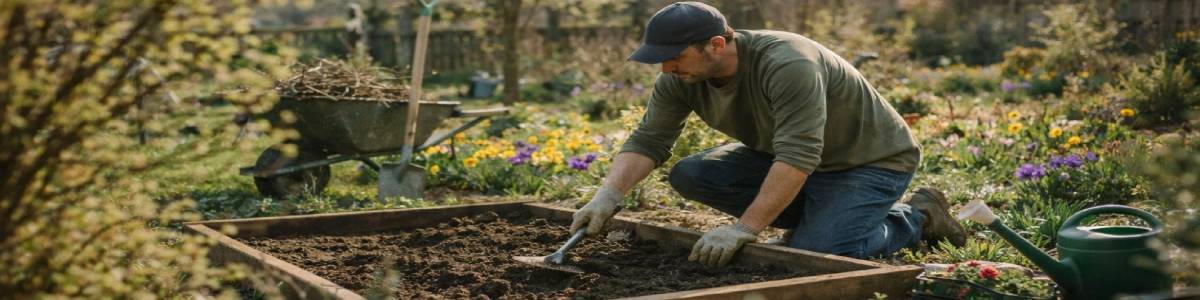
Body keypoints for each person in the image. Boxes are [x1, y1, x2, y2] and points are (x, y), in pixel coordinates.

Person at [568, 1, 966, 268]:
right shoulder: (680, 77)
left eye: (674, 58)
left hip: (868, 161)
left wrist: (745, 228)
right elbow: (650, 139)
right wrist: (608, 195)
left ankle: (917, 218)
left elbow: (798, 155)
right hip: (793, 160)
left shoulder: (787, 63)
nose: (665, 69)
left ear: (716, 45)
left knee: (820, 253)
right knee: (692, 173)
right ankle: (822, 216)